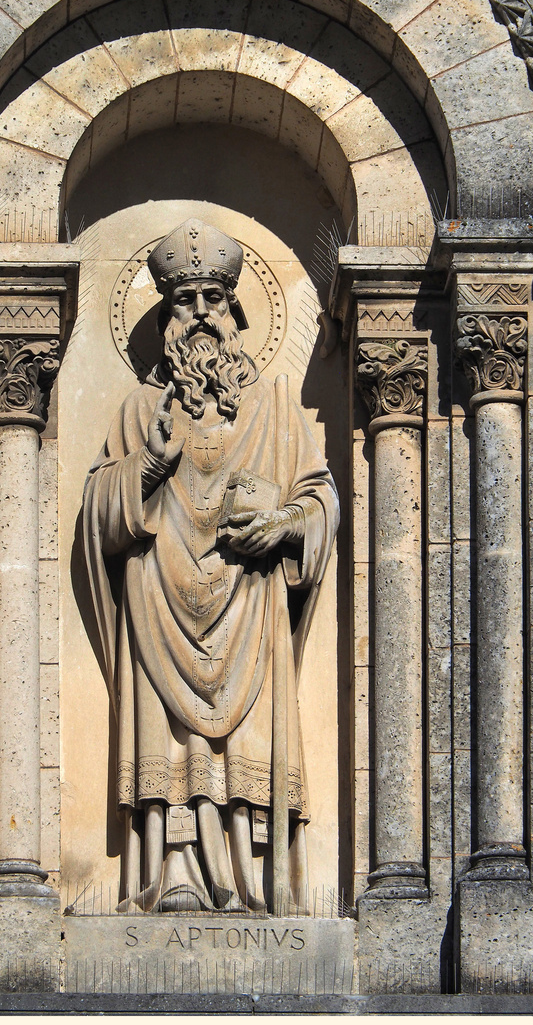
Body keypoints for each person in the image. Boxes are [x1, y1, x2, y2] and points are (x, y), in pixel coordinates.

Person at [79, 219, 337, 913]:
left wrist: (279, 525)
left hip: (247, 605)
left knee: (243, 744)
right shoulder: (139, 410)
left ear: (235, 313)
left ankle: (248, 885)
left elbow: (319, 503)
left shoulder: (279, 410)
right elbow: (98, 512)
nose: (198, 314)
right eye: (183, 299)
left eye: (211, 300)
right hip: (157, 598)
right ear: (166, 314)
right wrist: (152, 463)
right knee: (169, 747)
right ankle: (174, 875)